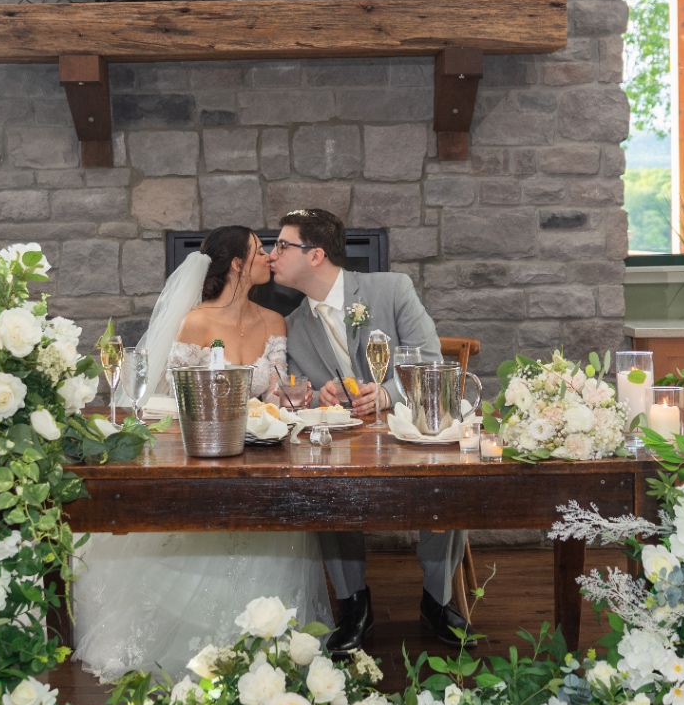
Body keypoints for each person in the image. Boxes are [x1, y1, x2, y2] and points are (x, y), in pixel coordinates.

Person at [69, 226, 332, 681]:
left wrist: (294, 397)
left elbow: (276, 393)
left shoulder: (275, 321)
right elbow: (172, 399)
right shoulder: (195, 322)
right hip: (208, 453)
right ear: (236, 264)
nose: (269, 257)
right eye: (258, 251)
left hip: (263, 453)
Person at [267, 207, 472, 654]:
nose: (272, 254)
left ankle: (437, 601)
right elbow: (304, 384)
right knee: (321, 481)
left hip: (413, 430)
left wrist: (388, 394)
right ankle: (353, 604)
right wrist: (319, 393)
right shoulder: (295, 325)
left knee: (448, 477)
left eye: (282, 245)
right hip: (346, 442)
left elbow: (432, 361)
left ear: (316, 254)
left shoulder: (391, 288)